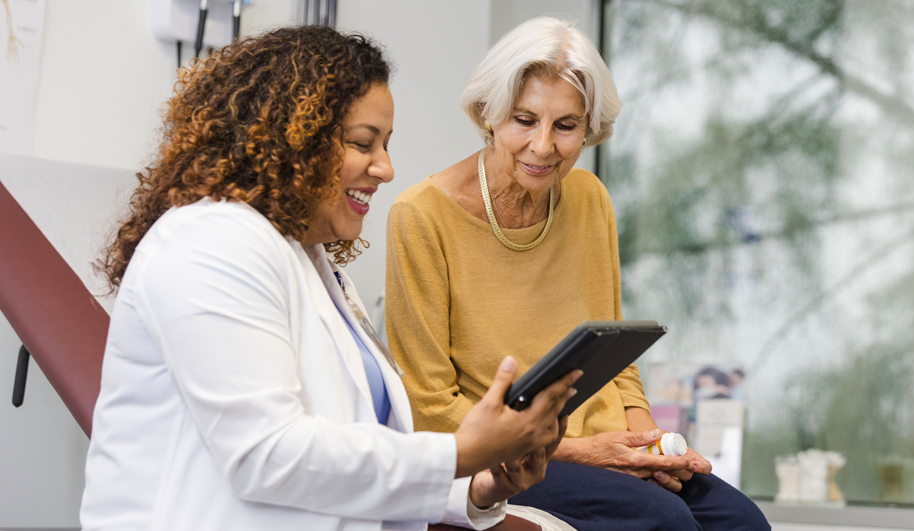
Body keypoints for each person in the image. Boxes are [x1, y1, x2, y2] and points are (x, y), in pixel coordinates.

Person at [80, 25, 579, 531]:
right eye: (363, 143)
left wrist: (478, 483)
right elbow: (268, 455)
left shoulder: (313, 265)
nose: (385, 168)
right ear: (291, 139)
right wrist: (461, 451)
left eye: (385, 144)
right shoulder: (209, 243)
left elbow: (353, 448)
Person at [385, 17, 770, 531]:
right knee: (664, 522)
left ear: (588, 130)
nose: (543, 147)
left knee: (743, 522)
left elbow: (616, 355)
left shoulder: (589, 198)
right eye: (524, 120)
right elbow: (428, 407)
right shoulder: (420, 215)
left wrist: (651, 445)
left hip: (606, 441)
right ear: (488, 115)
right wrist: (587, 452)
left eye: (565, 126)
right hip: (509, 453)